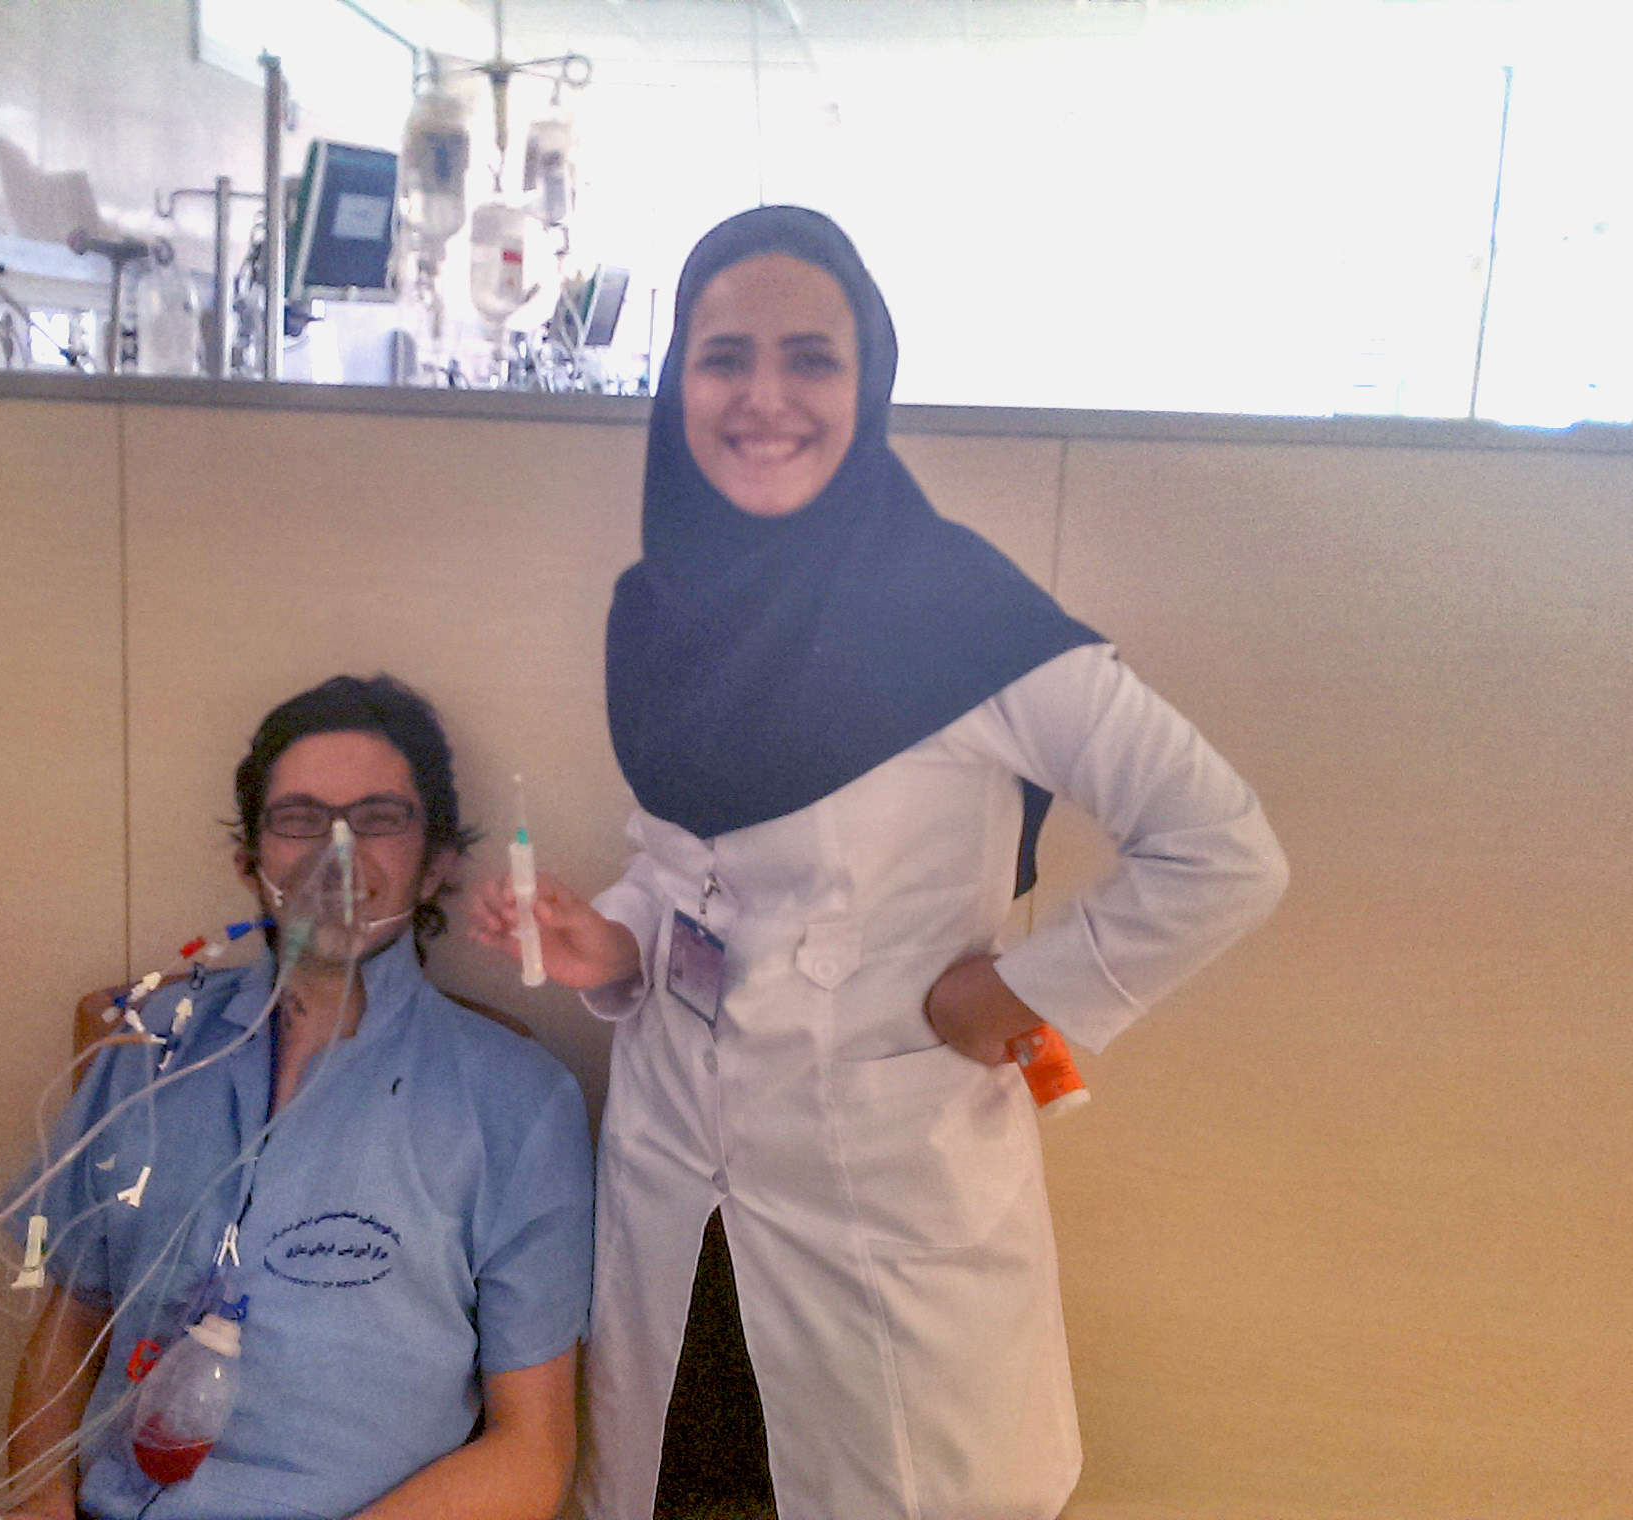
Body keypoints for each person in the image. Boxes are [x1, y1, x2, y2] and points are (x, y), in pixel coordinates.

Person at [468, 208, 1289, 1520]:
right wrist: (614, 936)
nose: (765, 397)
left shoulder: (964, 619)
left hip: (882, 1223)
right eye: (725, 356)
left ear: (874, 380)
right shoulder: (657, 609)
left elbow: (1224, 852)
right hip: (677, 1201)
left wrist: (1019, 988)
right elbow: (684, 861)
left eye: (813, 358)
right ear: (677, 378)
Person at [0, 675, 593, 1520]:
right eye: (300, 819)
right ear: (251, 861)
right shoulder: (151, 1043)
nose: (338, 853)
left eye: (378, 819)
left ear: (437, 858)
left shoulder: (517, 1102)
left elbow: (532, 1454)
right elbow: (75, 1312)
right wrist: (40, 1500)